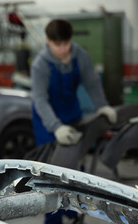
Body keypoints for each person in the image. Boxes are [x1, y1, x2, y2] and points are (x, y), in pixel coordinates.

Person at [31, 19, 117, 224]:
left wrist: (102, 106)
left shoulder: (80, 56)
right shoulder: (40, 65)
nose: (62, 49)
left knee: (75, 167)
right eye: (57, 44)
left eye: (66, 44)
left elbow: (92, 84)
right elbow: (40, 100)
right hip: (46, 121)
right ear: (47, 41)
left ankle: (73, 211)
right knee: (51, 174)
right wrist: (56, 127)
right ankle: (54, 218)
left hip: (72, 115)